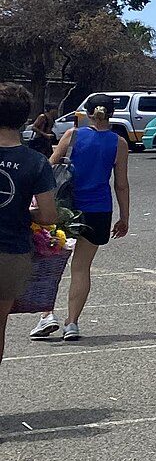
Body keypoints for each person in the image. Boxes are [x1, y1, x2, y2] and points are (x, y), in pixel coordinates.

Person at [34, 99, 129, 341]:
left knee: (50, 262)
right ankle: (72, 322)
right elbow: (121, 184)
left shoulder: (73, 135)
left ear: (87, 114)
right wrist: (124, 216)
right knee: (81, 267)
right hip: (98, 209)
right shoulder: (119, 143)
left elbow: (49, 168)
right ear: (111, 114)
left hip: (64, 206)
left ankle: (47, 315)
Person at [0, 84, 60, 367]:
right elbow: (49, 215)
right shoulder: (35, 162)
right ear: (25, 118)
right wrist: (26, 213)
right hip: (11, 253)